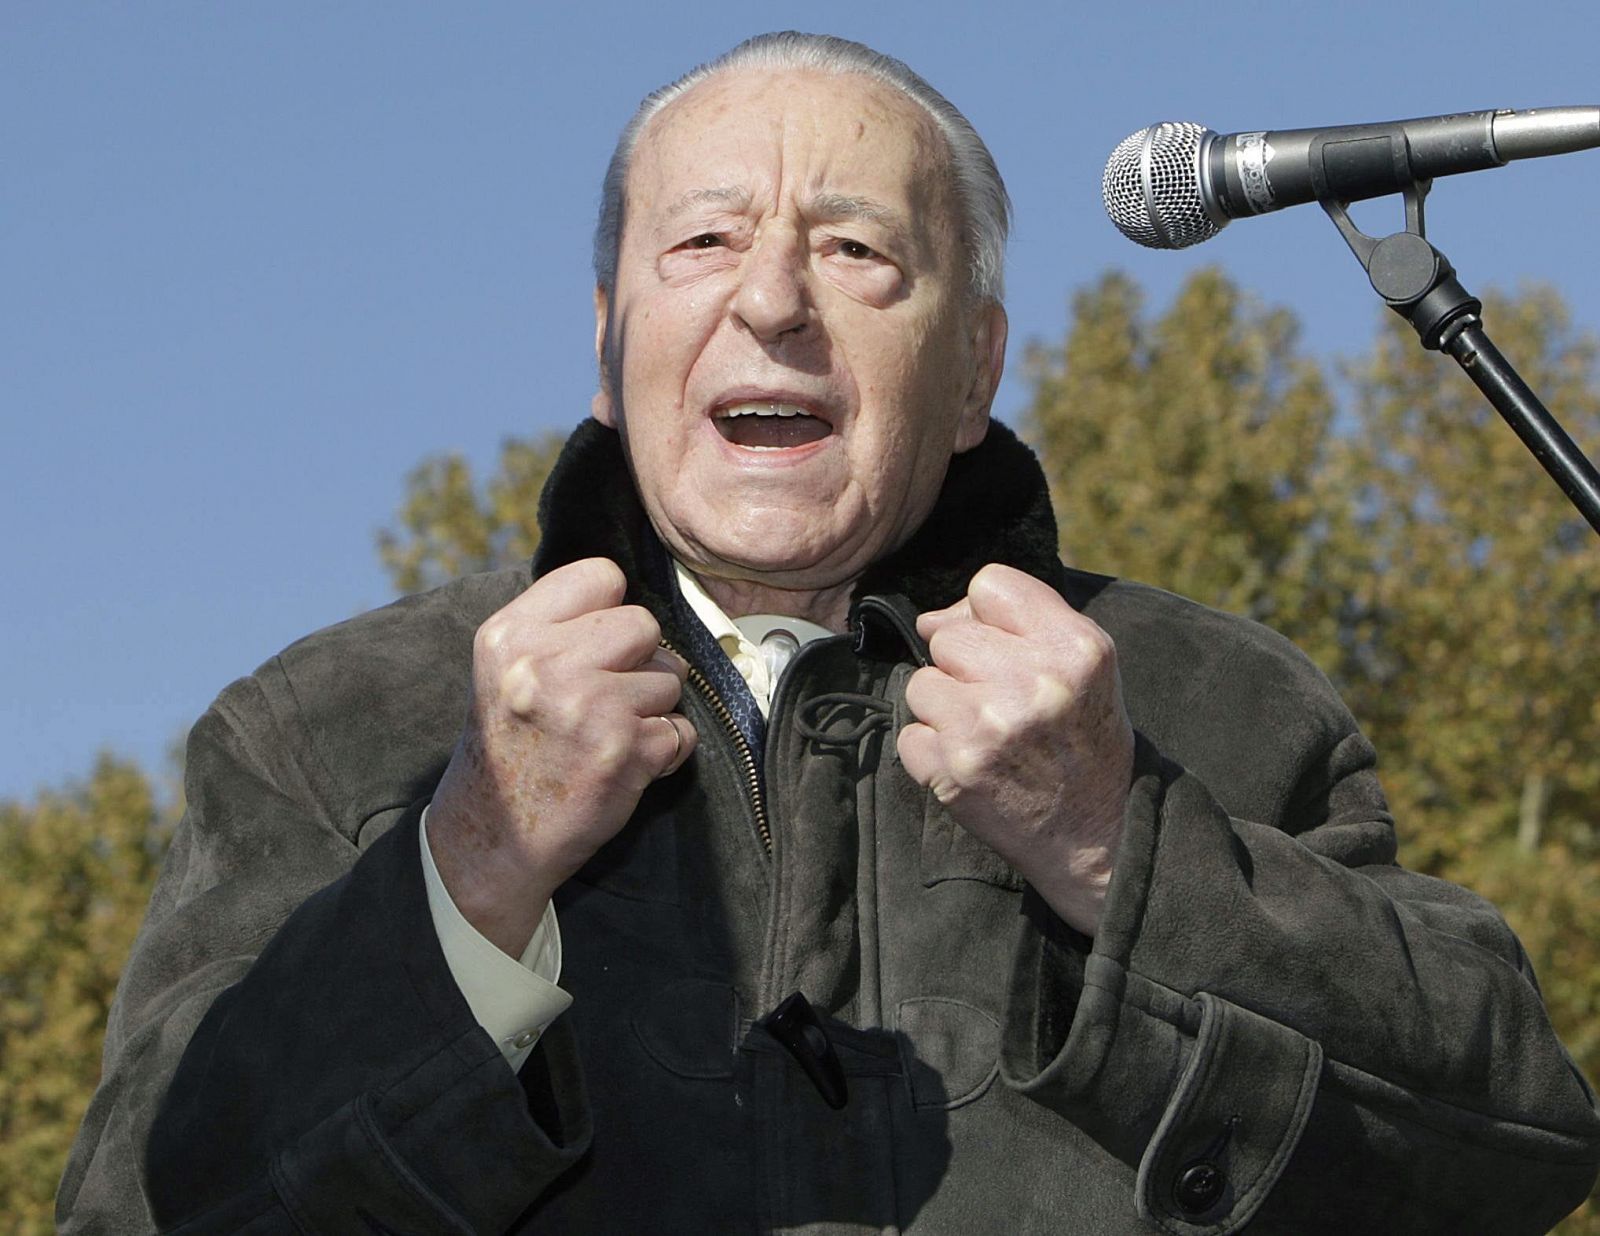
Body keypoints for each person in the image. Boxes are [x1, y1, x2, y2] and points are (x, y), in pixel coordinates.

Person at [60, 31, 1600, 1235]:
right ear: (608, 341)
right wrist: (471, 860)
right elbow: (147, 1205)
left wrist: (1120, 850)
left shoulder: (1213, 701)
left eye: (860, 251)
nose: (778, 301)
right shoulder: (336, 726)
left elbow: (1514, 1147)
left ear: (975, 362)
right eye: (704, 244)